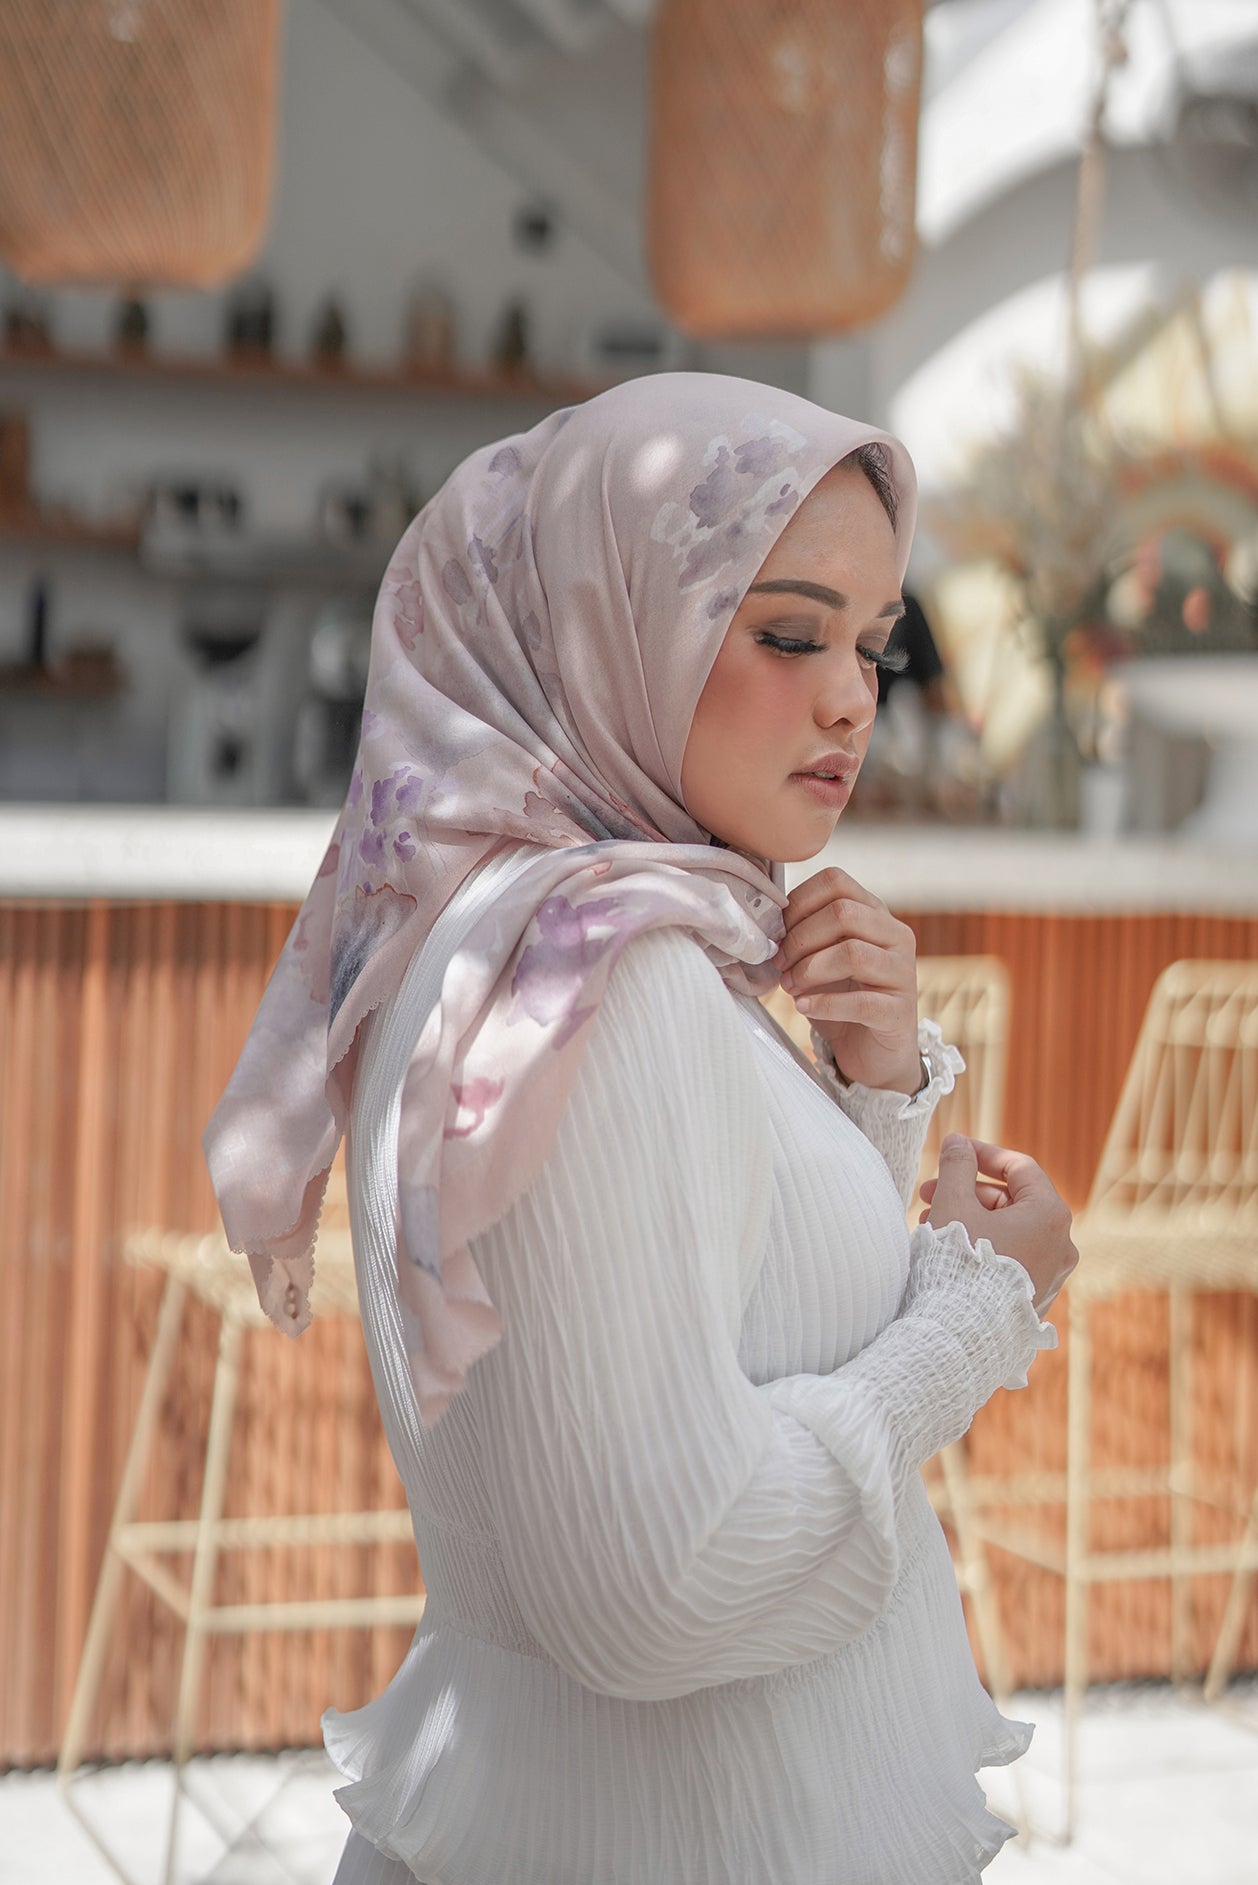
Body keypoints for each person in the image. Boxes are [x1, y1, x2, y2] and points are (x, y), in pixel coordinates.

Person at [203, 374, 1077, 1884]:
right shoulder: (601, 984)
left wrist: (868, 1085)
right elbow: (662, 1589)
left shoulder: (541, 934)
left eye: (872, 645)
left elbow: (738, 1325)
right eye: (790, 635)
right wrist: (977, 1313)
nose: (853, 698)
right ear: (611, 624)